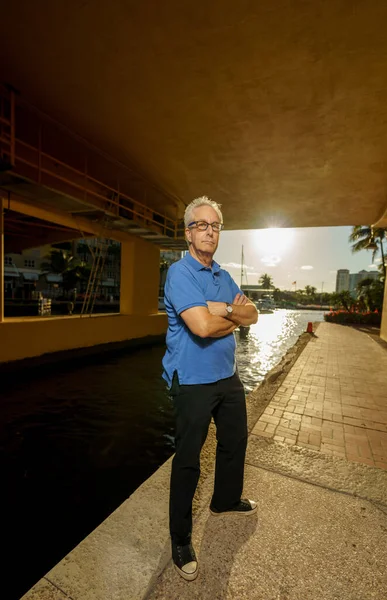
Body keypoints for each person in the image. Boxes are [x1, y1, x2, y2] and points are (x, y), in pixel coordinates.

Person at [162, 196, 259, 581]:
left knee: (235, 441)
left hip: (226, 376)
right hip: (191, 380)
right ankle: (181, 539)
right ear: (188, 233)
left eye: (215, 225)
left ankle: (224, 500)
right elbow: (200, 328)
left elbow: (253, 313)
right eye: (202, 225)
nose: (210, 231)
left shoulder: (222, 274)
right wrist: (229, 313)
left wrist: (220, 309)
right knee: (188, 459)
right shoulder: (179, 273)